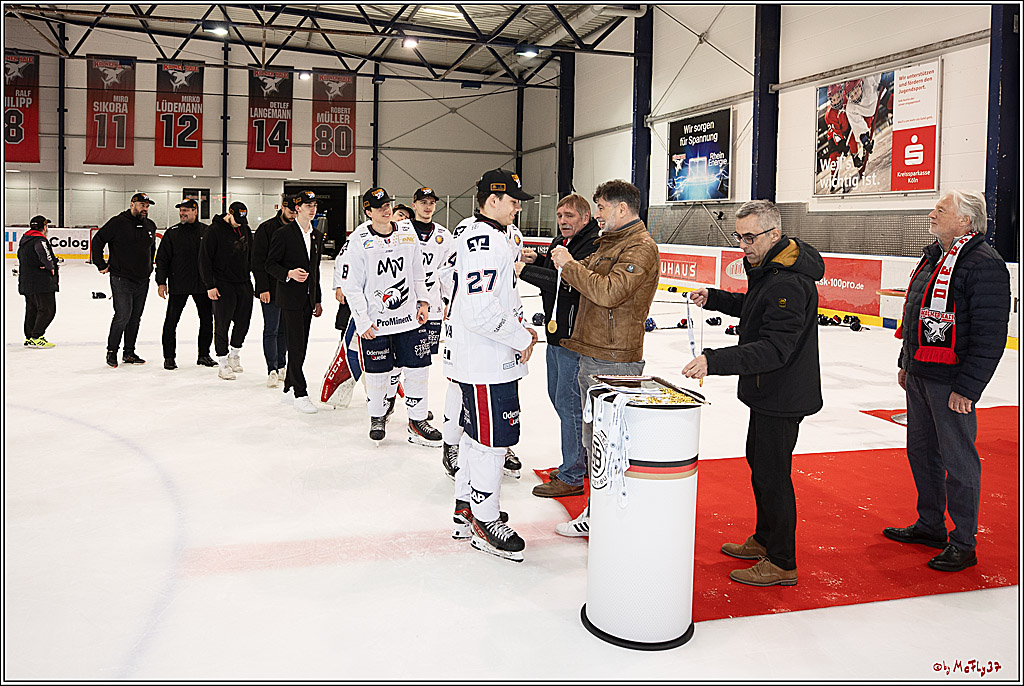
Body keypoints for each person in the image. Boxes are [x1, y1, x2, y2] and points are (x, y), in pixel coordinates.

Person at [682, 199, 824, 588]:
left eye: (750, 237)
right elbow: (756, 310)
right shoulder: (770, 269)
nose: (742, 245)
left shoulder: (789, 281)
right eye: (739, 236)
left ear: (774, 234)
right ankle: (765, 539)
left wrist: (715, 360)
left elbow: (775, 347)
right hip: (767, 391)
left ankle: (782, 562)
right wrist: (717, 298)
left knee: (774, 474)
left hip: (783, 393)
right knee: (760, 466)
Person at [883, 190, 1010, 572]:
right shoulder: (933, 257)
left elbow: (990, 335)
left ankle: (963, 542)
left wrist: (968, 389)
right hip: (922, 374)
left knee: (958, 463)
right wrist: (907, 362)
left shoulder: (983, 264)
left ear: (966, 221)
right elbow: (915, 317)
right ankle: (930, 525)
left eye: (941, 210)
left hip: (952, 383)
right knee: (921, 453)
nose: (931, 214)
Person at [548, 180, 660, 537]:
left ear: (621, 210)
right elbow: (589, 277)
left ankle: (610, 513)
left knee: (611, 441)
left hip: (614, 358)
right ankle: (600, 510)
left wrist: (569, 266)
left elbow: (608, 292)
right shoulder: (611, 243)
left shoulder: (640, 248)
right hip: (592, 350)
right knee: (594, 437)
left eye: (600, 208)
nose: (596, 215)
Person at [445, 168, 537, 562]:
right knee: (491, 441)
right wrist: (522, 337)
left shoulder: (485, 236)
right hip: (486, 361)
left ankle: (467, 507)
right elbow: (480, 312)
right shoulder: (486, 242)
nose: (518, 208)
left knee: (472, 436)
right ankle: (484, 520)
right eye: (514, 201)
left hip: (480, 359)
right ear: (492, 199)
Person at [337, 187, 438, 444]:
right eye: (378, 206)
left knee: (418, 369)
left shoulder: (406, 231)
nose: (385, 209)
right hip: (376, 322)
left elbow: (418, 270)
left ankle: (417, 420)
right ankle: (377, 416)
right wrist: (362, 321)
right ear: (368, 211)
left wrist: (424, 302)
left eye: (387, 204)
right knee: (377, 372)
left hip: (408, 318)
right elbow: (352, 286)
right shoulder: (359, 238)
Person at [518, 194, 600, 498]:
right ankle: (579, 460)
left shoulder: (592, 245)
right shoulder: (561, 242)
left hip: (573, 336)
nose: (563, 221)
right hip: (557, 334)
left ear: (585, 218)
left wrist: (524, 271)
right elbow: (554, 272)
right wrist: (538, 260)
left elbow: (568, 281)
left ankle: (573, 474)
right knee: (559, 398)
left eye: (569, 216)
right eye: (560, 216)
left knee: (570, 405)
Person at [266, 190, 324, 414]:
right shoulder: (283, 233)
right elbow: (270, 264)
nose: (312, 208)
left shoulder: (316, 235)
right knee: (296, 347)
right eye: (307, 205)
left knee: (301, 347)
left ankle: (289, 388)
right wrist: (288, 273)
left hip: (307, 300)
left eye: (314, 205)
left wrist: (317, 299)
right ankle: (300, 392)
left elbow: (315, 270)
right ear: (297, 208)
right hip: (289, 298)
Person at [91, 192, 158, 368]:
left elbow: (152, 249)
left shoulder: (150, 225)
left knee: (135, 317)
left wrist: (149, 267)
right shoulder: (118, 222)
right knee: (123, 315)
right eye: (142, 205)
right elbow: (98, 240)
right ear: (132, 204)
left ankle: (129, 352)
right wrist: (100, 263)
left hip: (143, 279)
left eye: (147, 206)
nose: (145, 209)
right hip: (122, 278)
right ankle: (112, 351)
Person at [409, 186, 454, 423]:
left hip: (434, 308)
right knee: (401, 359)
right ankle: (386, 405)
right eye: (423, 202)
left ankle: (417, 406)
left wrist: (447, 300)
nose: (428, 206)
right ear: (414, 204)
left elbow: (447, 272)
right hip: (405, 307)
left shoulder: (444, 236)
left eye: (431, 202)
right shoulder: (402, 231)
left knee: (423, 359)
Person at [155, 198, 215, 370]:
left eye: (186, 210)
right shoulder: (172, 233)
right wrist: (161, 282)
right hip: (178, 284)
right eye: (181, 210)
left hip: (202, 285)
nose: (182, 213)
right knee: (171, 322)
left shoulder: (207, 231)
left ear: (195, 211)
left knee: (206, 320)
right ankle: (169, 357)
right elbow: (162, 259)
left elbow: (214, 258)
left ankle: (204, 355)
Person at [199, 202, 254, 381]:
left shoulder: (244, 228)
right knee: (222, 324)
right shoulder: (214, 231)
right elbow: (204, 260)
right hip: (222, 284)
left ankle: (234, 354)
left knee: (243, 321)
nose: (239, 223)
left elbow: (251, 255)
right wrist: (209, 285)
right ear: (229, 213)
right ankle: (222, 362)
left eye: (242, 221)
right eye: (236, 220)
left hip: (243, 282)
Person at [251, 193, 297, 387]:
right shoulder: (266, 229)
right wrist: (262, 287)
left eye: (296, 211)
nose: (293, 214)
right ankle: (271, 368)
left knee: (284, 331)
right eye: (290, 211)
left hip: (290, 289)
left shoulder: (298, 229)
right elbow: (257, 261)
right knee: (272, 328)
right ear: (282, 208)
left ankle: (281, 365)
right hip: (270, 288)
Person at [18, 215, 59, 348]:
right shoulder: (40, 240)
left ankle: (29, 336)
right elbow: (46, 256)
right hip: (41, 281)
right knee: (47, 310)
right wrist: (51, 266)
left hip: (26, 279)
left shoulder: (25, 239)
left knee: (32, 308)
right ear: (44, 226)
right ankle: (37, 336)